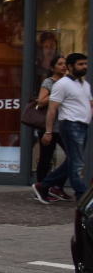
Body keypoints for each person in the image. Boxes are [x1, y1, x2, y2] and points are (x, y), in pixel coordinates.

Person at [33, 52, 93, 204]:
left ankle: (43, 186)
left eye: (85, 64)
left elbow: (89, 104)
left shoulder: (84, 84)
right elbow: (52, 109)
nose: (84, 67)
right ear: (70, 66)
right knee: (77, 163)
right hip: (70, 125)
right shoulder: (62, 84)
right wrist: (48, 131)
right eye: (80, 64)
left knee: (72, 161)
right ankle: (82, 196)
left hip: (83, 125)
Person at [34, 55, 67, 184]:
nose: (63, 66)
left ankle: (57, 186)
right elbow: (41, 102)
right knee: (46, 158)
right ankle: (41, 186)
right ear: (53, 67)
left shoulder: (68, 82)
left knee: (72, 157)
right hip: (49, 126)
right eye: (60, 64)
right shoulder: (49, 82)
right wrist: (58, 93)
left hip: (63, 125)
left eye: (65, 63)